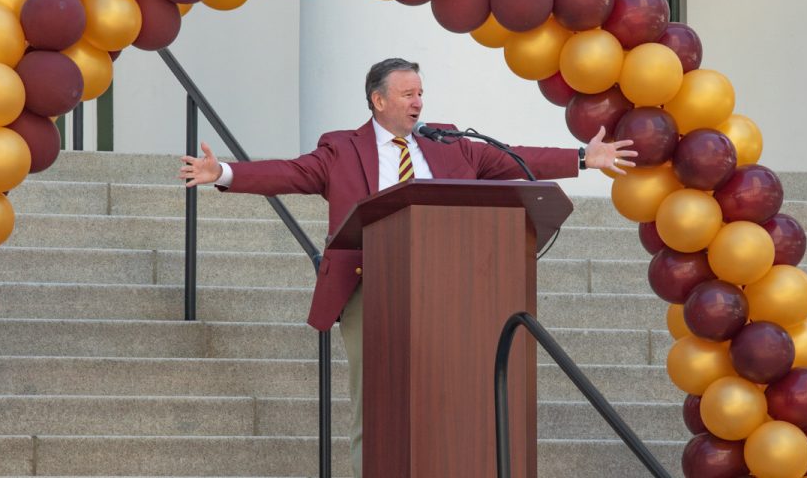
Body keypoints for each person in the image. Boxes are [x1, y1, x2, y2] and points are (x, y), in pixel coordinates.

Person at [179, 58, 636, 477]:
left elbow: (513, 158)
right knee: (375, 403)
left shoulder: (451, 143)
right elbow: (290, 172)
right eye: (407, 94)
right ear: (378, 101)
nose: (418, 102)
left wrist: (581, 159)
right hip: (370, 289)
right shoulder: (341, 149)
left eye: (420, 93)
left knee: (445, 394)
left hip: (447, 288)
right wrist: (224, 173)